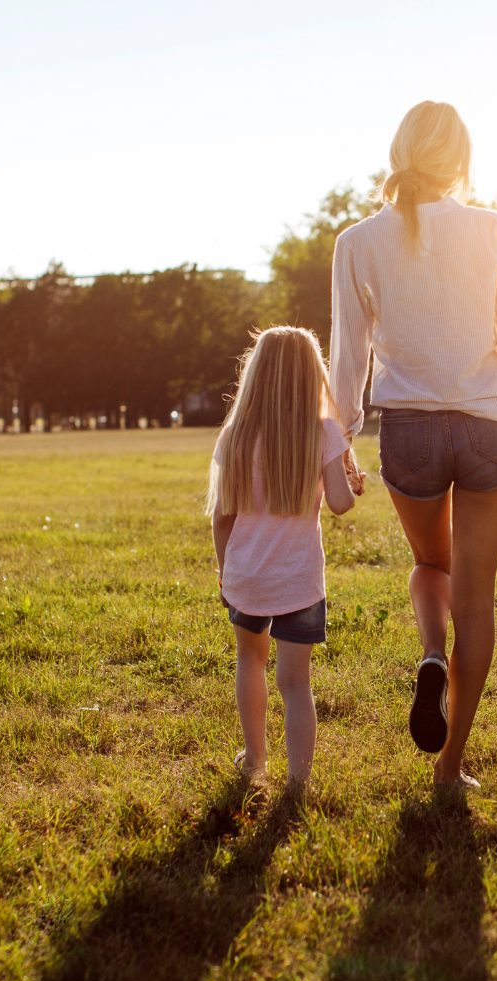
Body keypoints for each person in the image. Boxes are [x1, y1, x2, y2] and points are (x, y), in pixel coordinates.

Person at [329, 101, 497, 792]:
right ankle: (450, 765)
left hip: (411, 432)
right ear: (458, 159)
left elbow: (348, 353)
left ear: (399, 153)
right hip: (490, 429)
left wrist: (341, 437)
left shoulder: (357, 241)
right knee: (477, 597)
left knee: (432, 564)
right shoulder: (492, 229)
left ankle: (431, 654)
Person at [206, 326, 358, 794]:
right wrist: (351, 480)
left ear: (257, 373)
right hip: (300, 581)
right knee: (296, 683)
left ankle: (255, 760)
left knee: (249, 662)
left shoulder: (235, 435)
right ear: (312, 374)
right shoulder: (324, 431)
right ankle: (297, 782)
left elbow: (222, 517)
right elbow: (341, 503)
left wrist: (224, 572)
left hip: (247, 576)